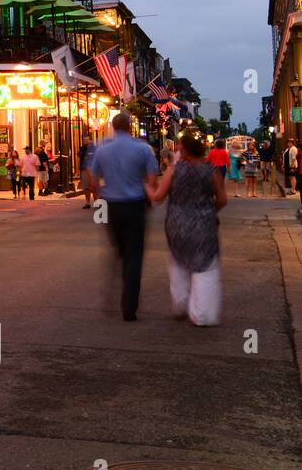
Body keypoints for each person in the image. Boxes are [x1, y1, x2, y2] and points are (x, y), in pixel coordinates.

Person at [144, 131, 227, 326]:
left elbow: (158, 197)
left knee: (178, 262)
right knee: (205, 267)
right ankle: (202, 315)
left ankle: (180, 303)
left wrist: (145, 186)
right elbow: (222, 200)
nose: (178, 151)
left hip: (177, 224)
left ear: (186, 151)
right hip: (204, 225)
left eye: (180, 148)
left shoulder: (174, 170)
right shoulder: (212, 171)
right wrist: (208, 210)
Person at [85, 111, 159, 322]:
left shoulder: (102, 150)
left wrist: (100, 194)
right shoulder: (143, 149)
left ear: (114, 127)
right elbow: (152, 179)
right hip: (135, 204)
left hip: (111, 205)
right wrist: (146, 190)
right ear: (129, 127)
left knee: (118, 249)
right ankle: (129, 307)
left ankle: (112, 291)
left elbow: (93, 177)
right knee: (134, 256)